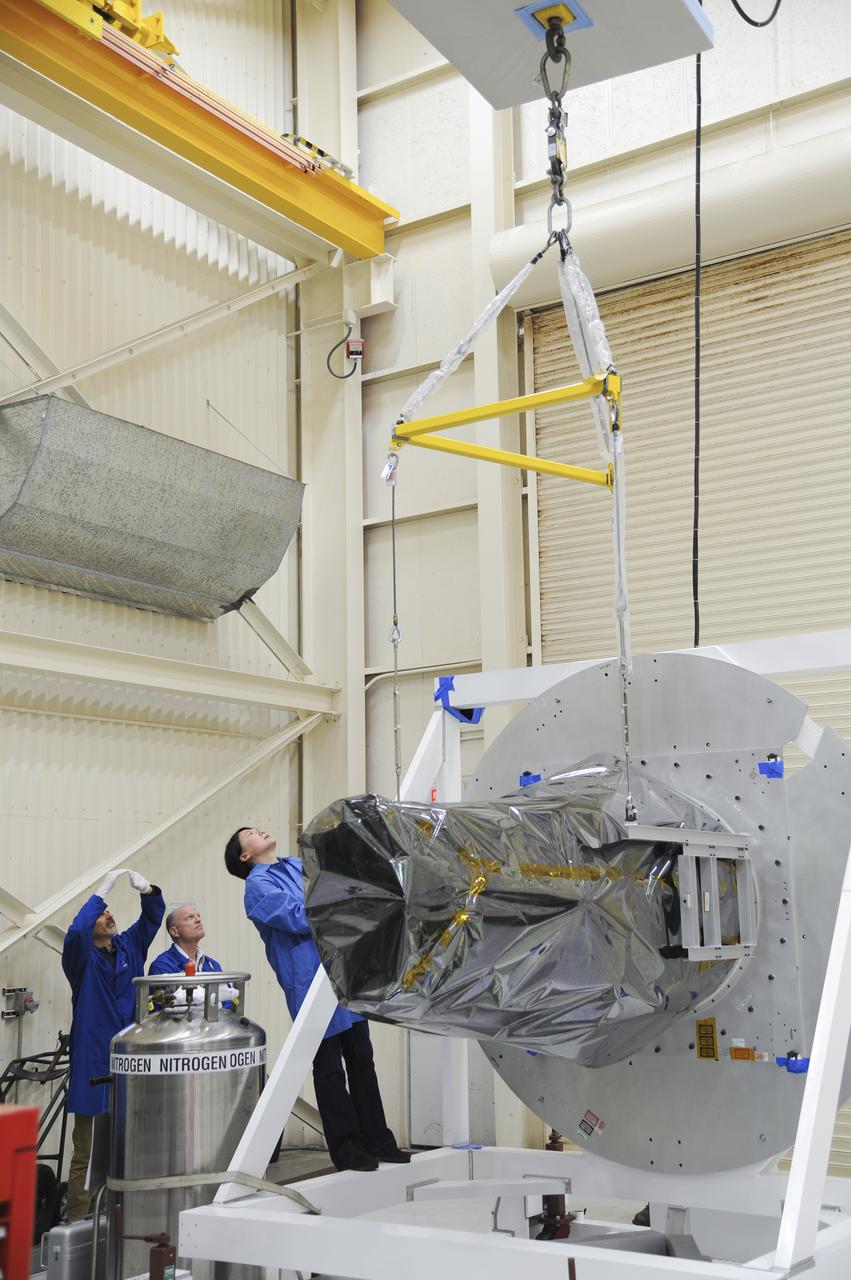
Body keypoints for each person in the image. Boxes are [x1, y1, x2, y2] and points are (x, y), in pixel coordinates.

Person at [224, 825, 409, 1173]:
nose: (260, 829)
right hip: (310, 983)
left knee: (362, 1061)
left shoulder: (297, 865)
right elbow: (299, 917)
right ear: (244, 856)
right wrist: (337, 902)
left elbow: (335, 888)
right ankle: (347, 1148)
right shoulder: (257, 886)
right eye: (249, 833)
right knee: (328, 1069)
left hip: (341, 974)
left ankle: (379, 1141)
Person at [62, 867, 165, 1221]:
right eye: (103, 914)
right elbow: (76, 930)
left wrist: (149, 890)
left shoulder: (128, 946)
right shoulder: (81, 959)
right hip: (93, 1063)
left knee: (128, 1147)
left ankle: (117, 1219)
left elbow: (153, 918)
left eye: (109, 912)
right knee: (87, 1152)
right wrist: (102, 892)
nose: (109, 916)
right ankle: (78, 1220)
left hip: (129, 1061)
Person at [149, 904, 223, 977]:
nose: (198, 920)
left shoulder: (213, 965)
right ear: (175, 931)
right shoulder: (162, 966)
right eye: (190, 917)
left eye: (198, 916)